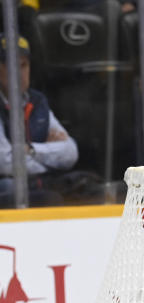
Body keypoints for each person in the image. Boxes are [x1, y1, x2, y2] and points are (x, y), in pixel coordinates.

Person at [0, 36, 101, 206]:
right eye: (12, 66)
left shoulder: (38, 101)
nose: (20, 73)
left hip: (39, 181)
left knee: (90, 184)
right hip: (11, 183)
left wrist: (31, 150)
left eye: (24, 65)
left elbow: (70, 152)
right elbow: (5, 162)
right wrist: (50, 159)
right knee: (13, 186)